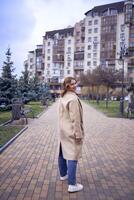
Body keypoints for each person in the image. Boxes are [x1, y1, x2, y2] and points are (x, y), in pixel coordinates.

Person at [58, 76, 84, 193]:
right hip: (71, 131)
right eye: (72, 84)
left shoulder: (63, 97)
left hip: (63, 130)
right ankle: (72, 185)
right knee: (73, 156)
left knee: (62, 152)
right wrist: (78, 135)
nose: (75, 85)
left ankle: (63, 175)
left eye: (75, 83)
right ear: (68, 86)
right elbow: (76, 119)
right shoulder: (73, 99)